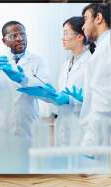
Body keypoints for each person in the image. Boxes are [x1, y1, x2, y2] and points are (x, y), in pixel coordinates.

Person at [0, 21, 49, 140]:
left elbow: (46, 93)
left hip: (27, 127)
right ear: (4, 41)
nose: (20, 38)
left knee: (26, 157)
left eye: (22, 34)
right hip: (1, 126)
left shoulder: (37, 60)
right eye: (14, 36)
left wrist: (23, 80)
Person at [41, 17, 93, 146]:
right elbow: (63, 95)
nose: (62, 38)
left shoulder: (91, 63)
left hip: (82, 129)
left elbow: (96, 100)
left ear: (80, 36)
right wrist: (49, 95)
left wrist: (72, 100)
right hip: (63, 126)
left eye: (66, 33)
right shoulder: (65, 66)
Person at [79, 3, 111, 146]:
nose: (83, 27)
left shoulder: (105, 48)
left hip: (96, 139)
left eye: (85, 20)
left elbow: (103, 102)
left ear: (98, 18)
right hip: (95, 134)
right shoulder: (101, 48)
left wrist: (89, 144)